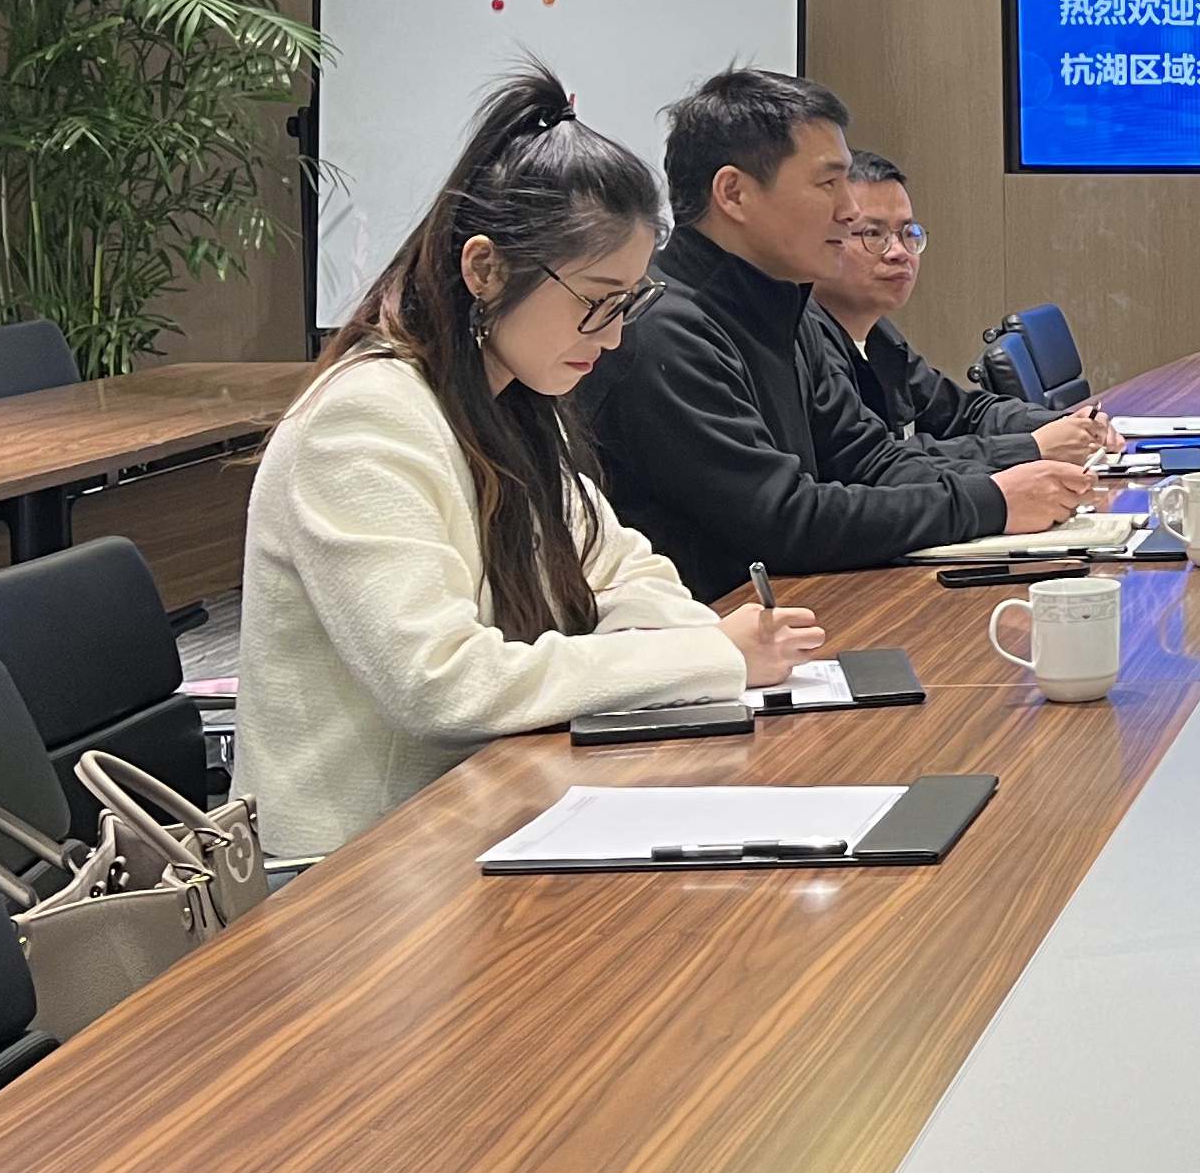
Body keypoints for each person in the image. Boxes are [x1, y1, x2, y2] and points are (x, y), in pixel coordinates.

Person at [234, 72, 826, 864]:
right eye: (596, 301)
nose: (612, 337)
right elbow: (442, 684)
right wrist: (709, 654)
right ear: (484, 270)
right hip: (354, 870)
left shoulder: (512, 400)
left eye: (628, 304)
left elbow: (625, 568)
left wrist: (684, 643)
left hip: (490, 810)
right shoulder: (364, 421)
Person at [591, 69, 1092, 582]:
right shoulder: (663, 330)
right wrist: (991, 502)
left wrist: (1019, 484)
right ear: (734, 193)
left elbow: (870, 461)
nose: (850, 210)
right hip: (721, 622)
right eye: (828, 183)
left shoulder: (788, 308)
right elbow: (783, 520)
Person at [810, 151, 1117, 467]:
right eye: (873, 234)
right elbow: (878, 463)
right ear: (824, 237)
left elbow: (962, 413)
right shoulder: (806, 346)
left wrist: (1066, 423)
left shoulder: (878, 335)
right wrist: (1032, 446)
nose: (899, 252)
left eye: (907, 233)